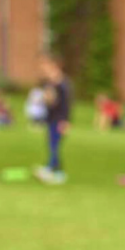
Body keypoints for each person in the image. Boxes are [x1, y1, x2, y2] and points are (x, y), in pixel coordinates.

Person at [34, 55, 71, 185]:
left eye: (46, 67)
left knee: (54, 145)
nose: (44, 70)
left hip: (59, 119)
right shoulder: (50, 83)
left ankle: (51, 169)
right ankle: (57, 171)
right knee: (52, 144)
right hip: (51, 118)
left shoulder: (63, 84)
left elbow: (67, 104)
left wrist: (66, 121)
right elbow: (51, 101)